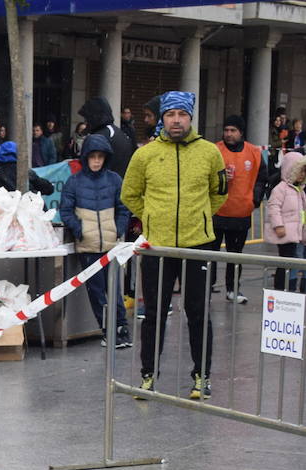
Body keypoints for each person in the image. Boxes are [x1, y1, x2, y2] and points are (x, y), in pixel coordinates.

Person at [121, 90, 227, 400]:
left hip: (199, 245)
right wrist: (153, 218)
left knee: (198, 312)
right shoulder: (145, 155)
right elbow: (129, 194)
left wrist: (201, 216)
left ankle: (201, 376)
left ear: (191, 117)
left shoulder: (210, 153)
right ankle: (148, 376)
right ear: (162, 119)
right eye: (170, 115)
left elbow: (219, 191)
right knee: (153, 314)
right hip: (158, 246)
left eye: (182, 115)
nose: (176, 120)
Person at [59, 133, 132, 347]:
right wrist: (79, 230)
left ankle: (121, 328)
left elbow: (123, 209)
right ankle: (107, 331)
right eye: (93, 157)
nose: (97, 161)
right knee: (97, 292)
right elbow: (66, 210)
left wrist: (118, 229)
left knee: (115, 291)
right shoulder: (74, 182)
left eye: (100, 156)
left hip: (111, 245)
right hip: (88, 247)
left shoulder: (114, 180)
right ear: (86, 158)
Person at [211, 115, 269, 302]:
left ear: (241, 132)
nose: (228, 134)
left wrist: (255, 200)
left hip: (241, 213)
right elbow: (204, 176)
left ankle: (233, 289)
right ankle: (207, 287)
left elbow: (263, 179)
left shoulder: (254, 152)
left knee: (235, 255)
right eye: (226, 130)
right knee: (209, 253)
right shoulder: (214, 150)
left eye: (233, 130)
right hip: (217, 212)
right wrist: (220, 179)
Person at [266, 151, 305, 292]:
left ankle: (291, 287)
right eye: (300, 172)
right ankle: (281, 288)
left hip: (297, 233)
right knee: (285, 261)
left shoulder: (300, 190)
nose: (302, 175)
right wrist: (278, 226)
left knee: (294, 260)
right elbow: (273, 208)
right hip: (285, 233)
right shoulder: (280, 189)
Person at [77, 97, 134, 178]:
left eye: (87, 118)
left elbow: (87, 164)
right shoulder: (118, 132)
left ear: (94, 116)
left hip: (102, 184)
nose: (86, 122)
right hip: (120, 182)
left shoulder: (99, 137)